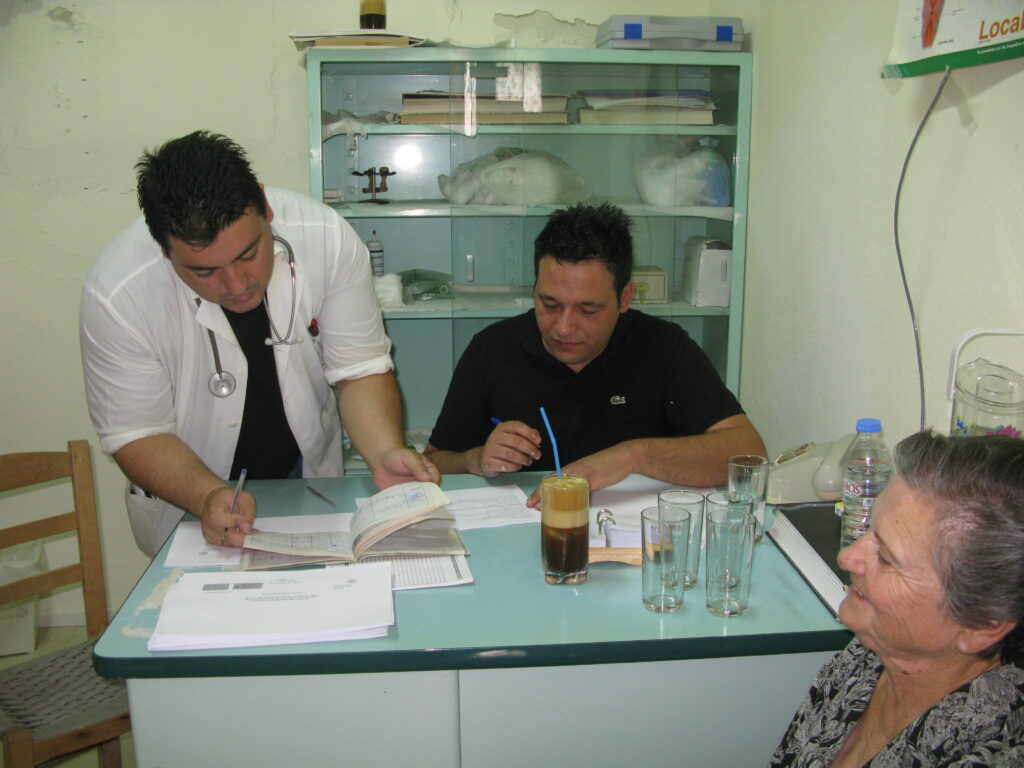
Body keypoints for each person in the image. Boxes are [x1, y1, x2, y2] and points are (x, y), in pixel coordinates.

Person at [80, 131, 438, 556]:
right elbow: (138, 432)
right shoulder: (118, 293)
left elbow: (359, 370)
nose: (236, 285)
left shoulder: (326, 237)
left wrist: (384, 452)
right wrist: (207, 496)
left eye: (248, 254)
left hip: (305, 479)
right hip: (188, 495)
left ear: (266, 208)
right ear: (164, 250)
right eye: (204, 272)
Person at [424, 202, 764, 503]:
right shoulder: (493, 349)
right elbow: (435, 461)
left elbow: (747, 454)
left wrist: (633, 456)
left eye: (588, 310)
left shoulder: (663, 347)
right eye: (550, 304)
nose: (563, 328)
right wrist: (476, 459)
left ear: (625, 297)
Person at [771, 430, 1024, 767]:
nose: (846, 557)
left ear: (981, 626)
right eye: (870, 530)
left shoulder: (990, 756)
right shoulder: (868, 656)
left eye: (887, 558)